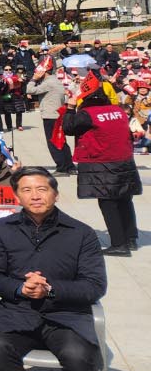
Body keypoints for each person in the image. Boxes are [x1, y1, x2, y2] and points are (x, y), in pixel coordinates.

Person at [0, 168, 108, 371]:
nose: (35, 195)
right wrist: (20, 288)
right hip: (17, 311)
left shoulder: (81, 234)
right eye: (26, 190)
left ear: (55, 193)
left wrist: (50, 288)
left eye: (42, 189)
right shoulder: (2, 229)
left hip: (65, 315)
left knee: (79, 356)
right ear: (17, 196)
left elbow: (95, 286)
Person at [62, 76, 141, 256]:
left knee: (108, 203)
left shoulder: (86, 114)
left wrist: (70, 107)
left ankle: (119, 244)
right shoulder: (118, 110)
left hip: (100, 162)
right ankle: (131, 238)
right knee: (124, 200)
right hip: (124, 161)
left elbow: (68, 128)